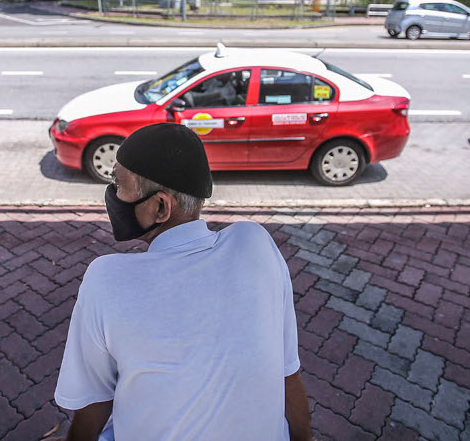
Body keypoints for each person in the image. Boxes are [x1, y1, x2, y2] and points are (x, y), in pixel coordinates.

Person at [54, 122, 310, 441]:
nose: (112, 195)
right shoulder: (255, 243)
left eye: (118, 184)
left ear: (160, 206)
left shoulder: (106, 278)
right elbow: (287, 372)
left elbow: (92, 405)